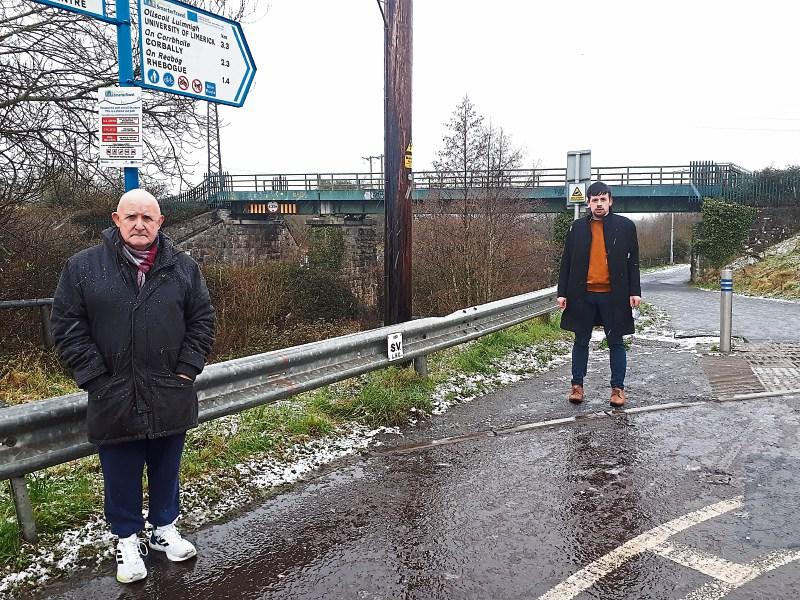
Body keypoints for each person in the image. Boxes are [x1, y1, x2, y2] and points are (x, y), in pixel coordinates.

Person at [51, 188, 215, 584]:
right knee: (120, 472)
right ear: (116, 220)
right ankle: (126, 539)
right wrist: (95, 378)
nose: (139, 224)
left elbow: (202, 321)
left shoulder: (183, 268)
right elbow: (67, 327)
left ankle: (164, 529)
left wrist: (186, 371)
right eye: (131, 217)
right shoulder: (83, 267)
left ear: (160, 222)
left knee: (166, 466)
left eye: (147, 218)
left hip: (169, 389)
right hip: (114, 393)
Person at [556, 181, 641, 407]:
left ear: (610, 201)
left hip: (614, 295)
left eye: (603, 199)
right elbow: (566, 262)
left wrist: (635, 291)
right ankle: (577, 386)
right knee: (581, 341)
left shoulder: (625, 227)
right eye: (595, 200)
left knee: (616, 342)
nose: (599, 204)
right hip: (582, 295)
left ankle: (617, 390)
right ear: (588, 203)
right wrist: (562, 292)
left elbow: (633, 262)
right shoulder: (577, 228)